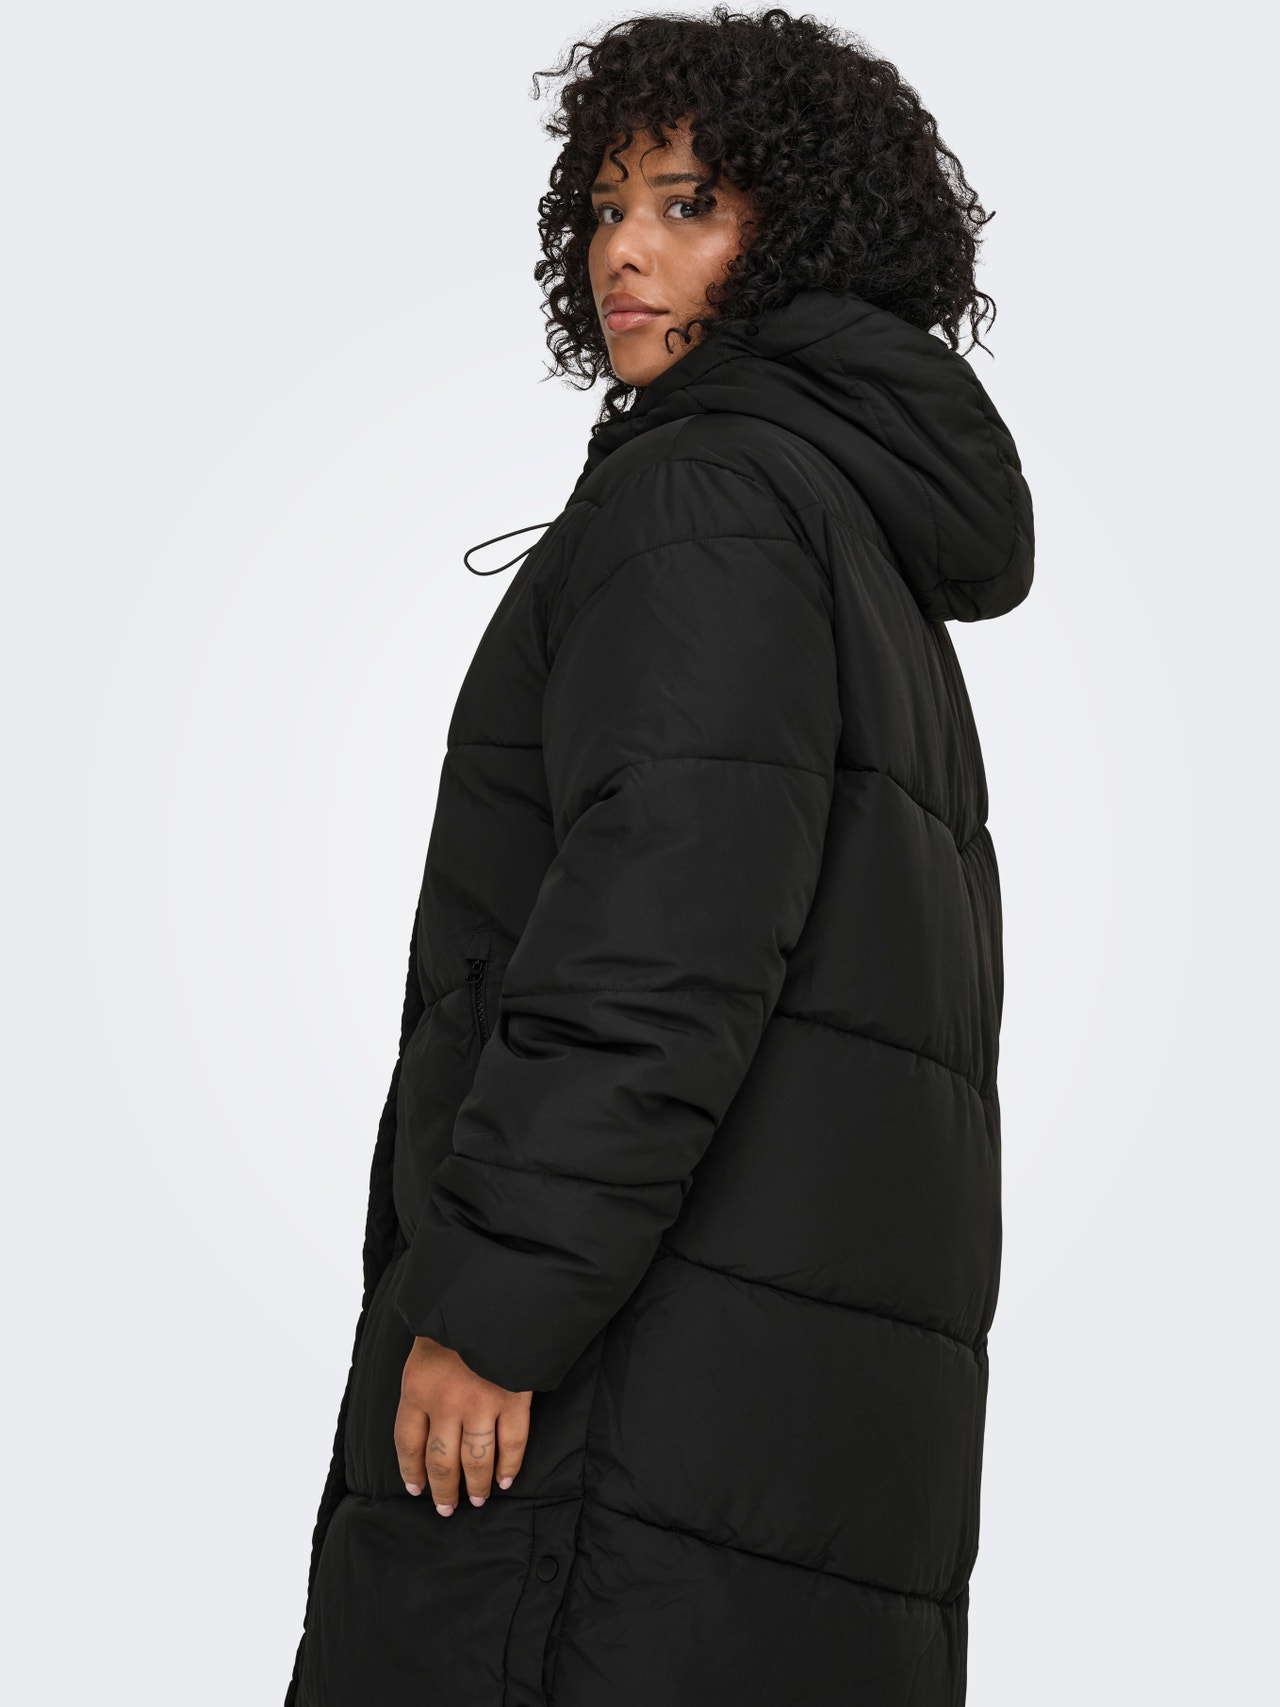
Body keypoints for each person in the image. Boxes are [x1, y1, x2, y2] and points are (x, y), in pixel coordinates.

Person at [285, 9, 1034, 1705]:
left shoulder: (711, 501)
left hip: (618, 1417)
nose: (623, 249)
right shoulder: (840, 522)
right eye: (608, 206)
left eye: (689, 205)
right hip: (767, 1418)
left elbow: (656, 946)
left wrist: (495, 1307)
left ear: (809, 234)